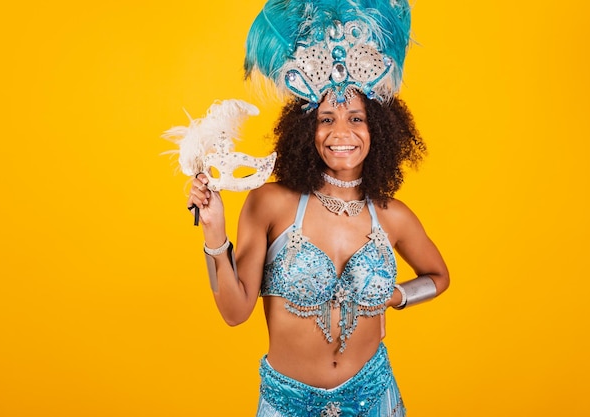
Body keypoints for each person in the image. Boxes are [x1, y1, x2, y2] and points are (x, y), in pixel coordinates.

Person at [185, 1, 449, 416]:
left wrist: (396, 296)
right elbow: (235, 313)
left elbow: (438, 277)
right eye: (326, 119)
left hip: (373, 397)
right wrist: (214, 235)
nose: (340, 133)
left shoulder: (392, 215)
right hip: (287, 404)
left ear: (377, 130)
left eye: (356, 119)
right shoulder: (271, 204)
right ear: (307, 130)